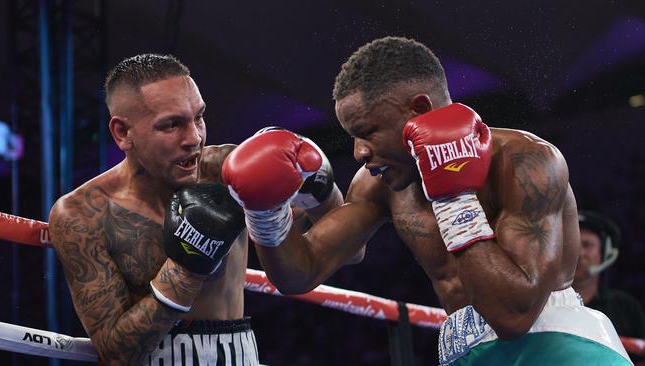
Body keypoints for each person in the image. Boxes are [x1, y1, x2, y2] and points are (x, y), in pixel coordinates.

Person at [222, 37, 633, 365]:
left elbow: (513, 316)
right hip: (466, 352)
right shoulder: (379, 182)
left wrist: (453, 194)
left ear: (419, 109)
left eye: (368, 132)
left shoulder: (524, 160)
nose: (359, 153)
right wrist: (266, 213)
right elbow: (300, 272)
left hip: (558, 347)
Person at [48, 54, 342, 365]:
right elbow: (116, 353)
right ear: (123, 133)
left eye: (198, 118)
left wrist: (320, 186)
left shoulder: (226, 170)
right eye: (172, 124)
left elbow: (347, 247)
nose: (194, 138)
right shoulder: (82, 214)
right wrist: (188, 265)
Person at [573, 210, 645, 365]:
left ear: (604, 253)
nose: (579, 253)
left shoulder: (625, 307)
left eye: (587, 244)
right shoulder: (543, 304)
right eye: (573, 243)